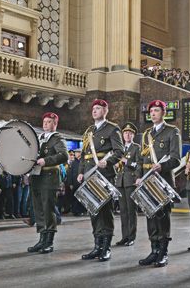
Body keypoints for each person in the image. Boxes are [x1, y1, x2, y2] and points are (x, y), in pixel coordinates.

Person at [136, 101, 181, 268]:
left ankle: (163, 251)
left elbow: (176, 158)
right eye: (151, 111)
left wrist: (163, 166)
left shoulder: (172, 131)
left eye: (157, 110)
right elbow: (141, 159)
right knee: (150, 215)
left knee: (162, 216)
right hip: (147, 179)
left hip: (163, 180)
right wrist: (138, 177)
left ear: (164, 113)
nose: (153, 114)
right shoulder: (146, 134)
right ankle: (154, 250)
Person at [78, 99, 124, 262]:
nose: (95, 111)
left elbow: (119, 151)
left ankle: (106, 247)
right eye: (93, 108)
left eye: (98, 108)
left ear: (105, 111)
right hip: (90, 175)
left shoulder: (112, 129)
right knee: (93, 211)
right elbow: (84, 155)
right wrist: (81, 172)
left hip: (104, 175)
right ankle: (97, 246)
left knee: (105, 211)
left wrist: (108, 162)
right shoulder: (89, 131)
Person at [27, 113, 68, 254]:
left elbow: (64, 155)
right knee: (38, 209)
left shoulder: (57, 138)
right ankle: (42, 239)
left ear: (55, 124)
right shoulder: (40, 138)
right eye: (44, 121)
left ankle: (49, 241)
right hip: (37, 177)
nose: (45, 124)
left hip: (50, 177)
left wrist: (47, 160)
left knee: (48, 209)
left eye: (49, 122)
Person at [115, 122, 139, 247]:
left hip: (131, 181)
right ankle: (124, 236)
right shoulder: (119, 148)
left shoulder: (136, 148)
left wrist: (127, 161)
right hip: (120, 182)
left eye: (130, 133)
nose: (127, 135)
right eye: (125, 133)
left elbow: (138, 165)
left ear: (133, 135)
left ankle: (131, 236)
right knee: (123, 211)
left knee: (131, 211)